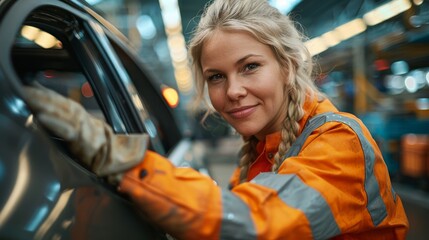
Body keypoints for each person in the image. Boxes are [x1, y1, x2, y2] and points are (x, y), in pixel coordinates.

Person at [24, 0, 409, 239]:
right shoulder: (261, 150)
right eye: (217, 77)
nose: (233, 90)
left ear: (288, 67)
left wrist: (121, 158)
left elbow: (252, 224)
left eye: (250, 67)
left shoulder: (338, 142)